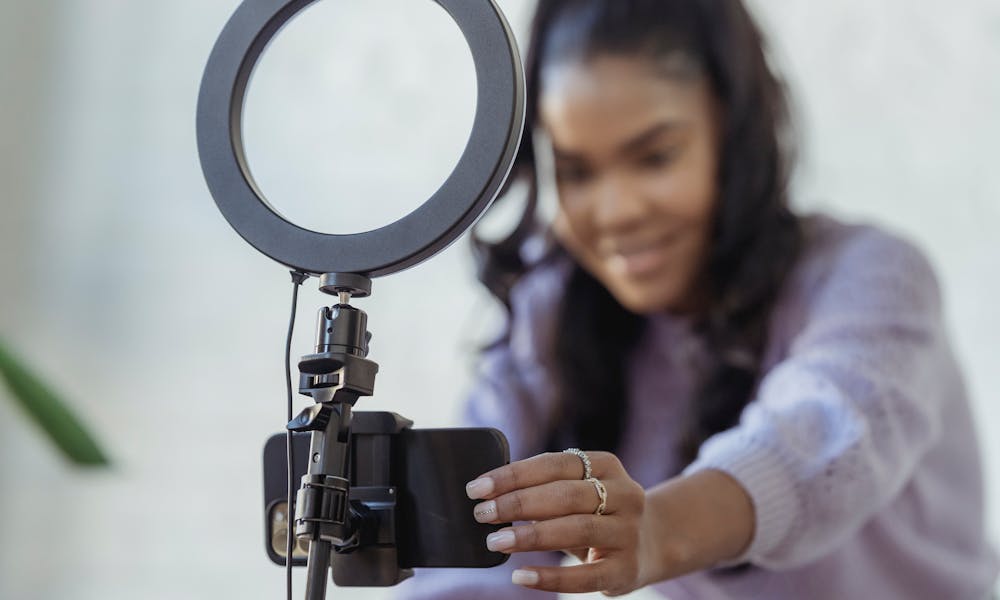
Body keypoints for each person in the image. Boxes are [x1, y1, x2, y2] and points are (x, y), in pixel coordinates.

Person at [395, 0, 999, 598]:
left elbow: (820, 436)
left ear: (732, 135)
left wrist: (658, 529)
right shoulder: (550, 313)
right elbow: (469, 565)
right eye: (577, 172)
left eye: (656, 157)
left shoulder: (872, 276)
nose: (618, 212)